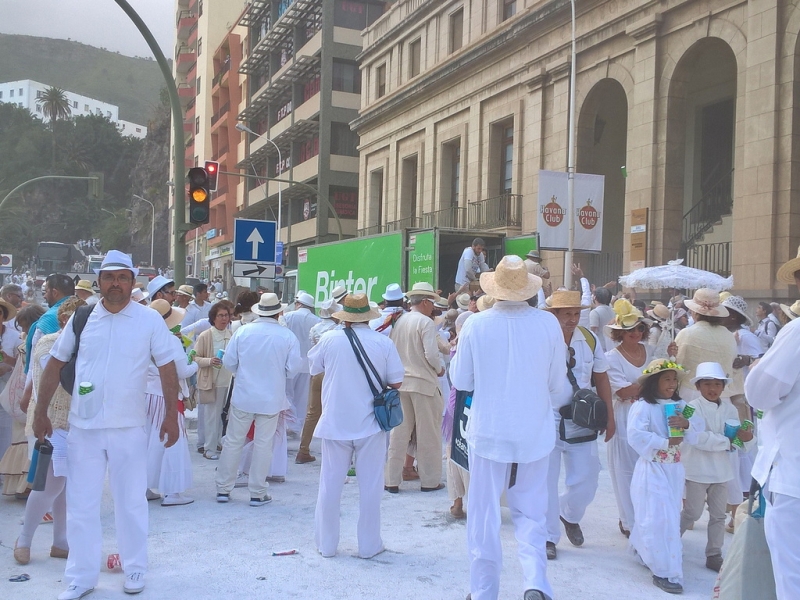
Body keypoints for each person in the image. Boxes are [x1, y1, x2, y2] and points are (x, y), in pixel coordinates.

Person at [33, 250, 181, 599]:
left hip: (129, 427)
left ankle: (134, 568)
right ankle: (82, 577)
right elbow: (55, 364)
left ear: (133, 282)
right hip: (83, 427)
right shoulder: (82, 318)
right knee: (81, 503)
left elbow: (167, 367)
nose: (115, 283)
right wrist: (40, 412)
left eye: (122, 277)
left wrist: (172, 415)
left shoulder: (148, 321)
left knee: (131, 501)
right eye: (109, 277)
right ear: (99, 281)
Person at [450, 255, 564, 600]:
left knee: (483, 513)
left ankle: (484, 591)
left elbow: (461, 380)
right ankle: (535, 582)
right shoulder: (548, 324)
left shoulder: (476, 324)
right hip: (535, 430)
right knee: (531, 509)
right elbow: (557, 385)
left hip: (489, 430)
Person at [308, 294, 404, 558]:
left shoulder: (328, 339)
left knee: (329, 485)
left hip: (335, 421)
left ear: (345, 317)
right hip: (371, 423)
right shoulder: (383, 342)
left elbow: (315, 369)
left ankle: (327, 545)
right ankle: (369, 545)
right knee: (371, 487)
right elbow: (396, 383)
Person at [543, 290, 614, 558]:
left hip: (582, 418)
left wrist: (609, 416)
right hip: (547, 417)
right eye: (566, 314)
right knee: (545, 481)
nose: (572, 319)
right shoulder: (543, 339)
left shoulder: (589, 338)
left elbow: (602, 378)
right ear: (554, 315)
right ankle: (548, 536)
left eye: (575, 313)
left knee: (587, 478)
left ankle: (569, 514)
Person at [14, 297, 85, 565]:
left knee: (63, 485)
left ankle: (60, 542)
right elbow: (60, 379)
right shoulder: (48, 343)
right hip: (49, 422)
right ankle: (24, 539)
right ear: (64, 321)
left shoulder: (82, 345)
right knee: (51, 483)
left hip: (73, 423)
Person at [216, 293, 302, 506]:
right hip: (271, 398)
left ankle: (223, 489)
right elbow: (292, 370)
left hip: (244, 396)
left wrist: (244, 375)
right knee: (264, 444)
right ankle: (257, 491)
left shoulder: (243, 332)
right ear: (279, 312)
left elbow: (229, 362)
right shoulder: (287, 336)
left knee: (233, 441)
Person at [627, 359, 703, 594]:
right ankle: (665, 571)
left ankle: (643, 549)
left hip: (674, 469)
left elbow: (698, 432)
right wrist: (664, 441)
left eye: (674, 379)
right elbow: (635, 435)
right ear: (654, 382)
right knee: (659, 518)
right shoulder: (643, 406)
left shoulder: (681, 405)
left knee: (664, 514)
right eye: (666, 379)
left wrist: (686, 423)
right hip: (652, 468)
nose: (671, 384)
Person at [604, 299, 676, 538]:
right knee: (625, 470)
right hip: (625, 416)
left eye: (639, 328)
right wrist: (650, 380)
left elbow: (664, 381)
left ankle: (646, 518)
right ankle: (628, 520)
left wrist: (670, 358)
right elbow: (623, 392)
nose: (636, 333)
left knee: (648, 467)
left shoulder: (650, 351)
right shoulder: (611, 357)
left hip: (650, 416)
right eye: (629, 330)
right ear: (619, 333)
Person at [746, 305, 800, 600]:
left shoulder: (797, 333)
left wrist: (758, 369)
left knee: (792, 580)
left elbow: (760, 394)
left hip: (794, 478)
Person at [680, 362, 754, 573]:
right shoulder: (691, 407)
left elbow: (737, 441)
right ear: (698, 386)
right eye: (708, 384)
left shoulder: (730, 408)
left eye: (717, 384)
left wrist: (746, 439)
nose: (712, 388)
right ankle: (669, 540)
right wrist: (726, 442)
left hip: (721, 471)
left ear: (723, 387)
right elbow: (696, 438)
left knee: (719, 516)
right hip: (696, 469)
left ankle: (714, 554)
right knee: (691, 512)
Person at [385, 282, 445, 494]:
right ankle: (429, 481)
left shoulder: (399, 321)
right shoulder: (425, 323)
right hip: (423, 385)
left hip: (402, 384)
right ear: (426, 302)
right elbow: (431, 354)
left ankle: (391, 479)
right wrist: (439, 369)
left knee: (398, 435)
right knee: (428, 435)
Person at [145, 300, 198, 507]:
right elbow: (181, 372)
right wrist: (194, 362)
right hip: (167, 396)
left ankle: (145, 488)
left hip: (146, 395)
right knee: (173, 443)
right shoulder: (171, 341)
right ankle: (172, 492)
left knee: (147, 442)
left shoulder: (142, 338)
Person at [0, 305, 44, 497]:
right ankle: (24, 485)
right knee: (20, 437)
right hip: (21, 390)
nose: (24, 331)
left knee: (28, 438)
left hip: (27, 391)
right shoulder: (28, 338)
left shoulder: (38, 339)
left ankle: (29, 485)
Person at [297, 298, 341, 464]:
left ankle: (303, 449)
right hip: (334, 374)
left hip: (317, 372)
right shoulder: (338, 329)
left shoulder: (315, 328)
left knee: (312, 413)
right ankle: (335, 452)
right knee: (334, 411)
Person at [674, 288, 737, 400]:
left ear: (694, 312)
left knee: (690, 418)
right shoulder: (728, 335)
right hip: (721, 394)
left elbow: (678, 364)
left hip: (691, 393)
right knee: (718, 418)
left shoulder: (687, 333)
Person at [193, 302, 233, 461]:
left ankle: (217, 442)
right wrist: (210, 361)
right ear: (213, 318)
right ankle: (208, 448)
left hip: (227, 382)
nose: (224, 319)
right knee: (211, 416)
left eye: (226, 315)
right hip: (211, 382)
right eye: (220, 315)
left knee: (222, 415)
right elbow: (194, 357)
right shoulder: (206, 336)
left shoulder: (232, 334)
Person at [283, 291, 320, 434]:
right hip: (308, 364)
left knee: (287, 393)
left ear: (298, 304)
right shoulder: (316, 320)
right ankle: (297, 425)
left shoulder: (288, 316)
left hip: (290, 362)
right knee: (302, 397)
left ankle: (289, 423)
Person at [25, 274, 75, 372]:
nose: (44, 296)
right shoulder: (85, 312)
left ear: (55, 292)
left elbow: (35, 362)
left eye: (46, 291)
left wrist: (29, 386)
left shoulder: (48, 319)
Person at [588, 287, 615, 352]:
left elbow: (593, 330)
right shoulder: (614, 311)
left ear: (595, 298)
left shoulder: (595, 312)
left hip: (600, 345)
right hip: (613, 344)